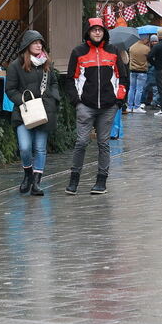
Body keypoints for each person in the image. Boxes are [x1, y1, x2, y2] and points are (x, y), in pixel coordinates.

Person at [66, 18, 128, 195]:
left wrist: (119, 100)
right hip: (85, 105)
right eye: (94, 30)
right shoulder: (78, 52)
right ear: (88, 32)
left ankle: (101, 180)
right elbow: (71, 79)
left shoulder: (113, 51)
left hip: (109, 106)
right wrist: (76, 101)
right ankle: (74, 179)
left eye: (100, 30)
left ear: (104, 32)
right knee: (81, 142)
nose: (97, 33)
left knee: (103, 143)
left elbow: (122, 77)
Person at [5, 30, 60, 197]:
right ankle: (28, 174)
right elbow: (10, 89)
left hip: (44, 111)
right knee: (25, 147)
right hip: (25, 112)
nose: (39, 45)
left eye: (40, 43)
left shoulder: (46, 64)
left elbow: (54, 83)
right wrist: (23, 102)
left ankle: (36, 182)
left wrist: (53, 99)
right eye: (35, 42)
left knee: (40, 149)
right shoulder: (16, 65)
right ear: (27, 45)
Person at [127, 31, 151, 113]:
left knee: (131, 89)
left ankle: (129, 106)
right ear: (144, 39)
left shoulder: (131, 47)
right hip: (142, 71)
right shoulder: (146, 49)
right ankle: (137, 106)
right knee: (139, 89)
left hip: (132, 70)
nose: (147, 41)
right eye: (147, 39)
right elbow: (150, 58)